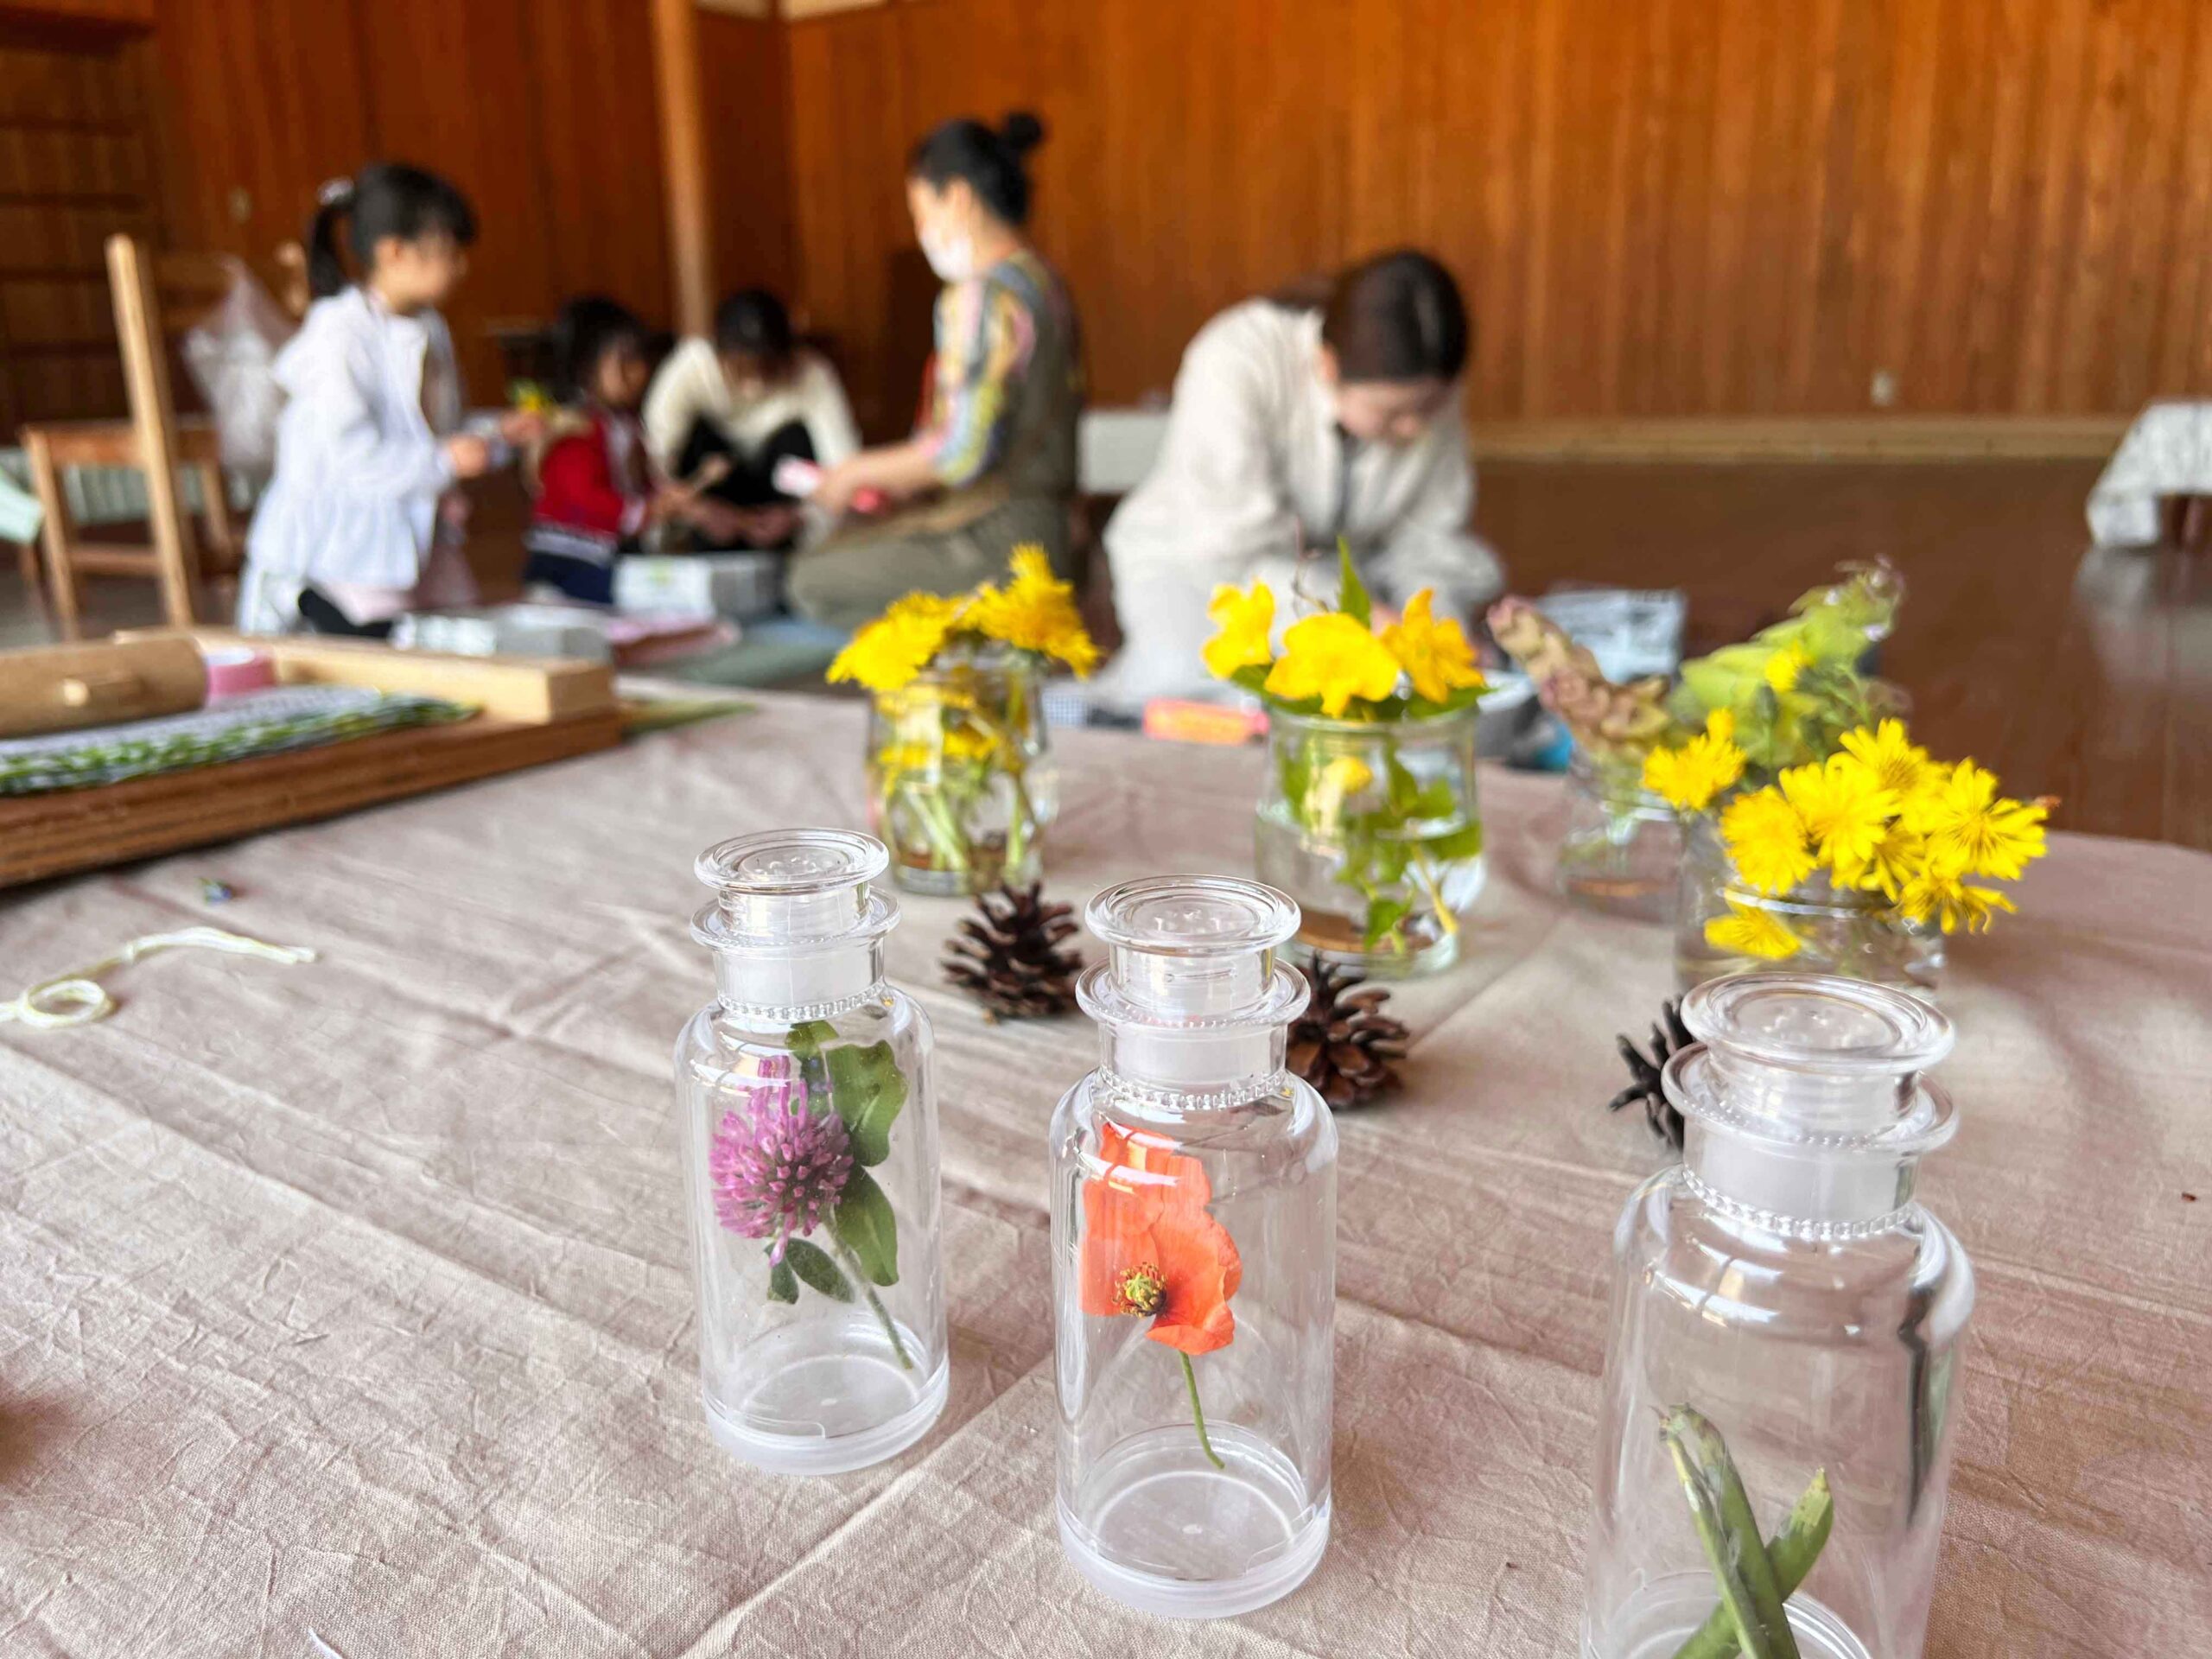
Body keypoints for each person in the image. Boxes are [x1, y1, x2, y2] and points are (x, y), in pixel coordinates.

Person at [1096, 249, 1505, 706]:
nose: (1417, 429)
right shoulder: (1237, 358)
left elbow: (1431, 543)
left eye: (1430, 408)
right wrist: (1366, 620)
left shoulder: (1422, 392)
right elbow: (1236, 550)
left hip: (1348, 583)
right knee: (1206, 703)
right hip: (1200, 567)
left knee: (1388, 705)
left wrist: (1439, 634)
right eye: (1393, 415)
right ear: (1328, 365)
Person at [786, 111, 1083, 632]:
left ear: (959, 198)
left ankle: (949, 678)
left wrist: (853, 473)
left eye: (923, 212)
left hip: (998, 539)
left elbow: (959, 453)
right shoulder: (1045, 286)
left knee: (810, 578)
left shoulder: (980, 295)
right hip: (1052, 534)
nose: (923, 232)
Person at [238, 163, 535, 635]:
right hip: (346, 542)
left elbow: (435, 432)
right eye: (449, 252)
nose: (461, 266)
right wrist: (445, 461)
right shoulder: (337, 333)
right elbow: (354, 460)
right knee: (392, 644)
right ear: (395, 252)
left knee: (464, 633)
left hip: (410, 530)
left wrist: (497, 434)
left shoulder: (430, 327)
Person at [522, 296, 725, 604]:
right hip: (571, 559)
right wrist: (647, 510)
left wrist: (669, 497)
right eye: (625, 361)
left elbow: (640, 482)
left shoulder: (626, 424)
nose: (639, 371)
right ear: (587, 368)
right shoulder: (573, 428)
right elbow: (587, 496)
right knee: (647, 592)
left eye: (641, 359)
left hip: (614, 550)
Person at [641, 289, 859, 553]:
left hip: (782, 503)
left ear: (790, 355)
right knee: (696, 439)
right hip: (713, 500)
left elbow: (845, 470)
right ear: (718, 354)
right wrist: (695, 511)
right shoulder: (691, 366)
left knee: (795, 438)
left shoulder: (812, 373)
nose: (755, 384)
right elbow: (653, 460)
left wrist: (802, 516)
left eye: (768, 369)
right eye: (742, 370)